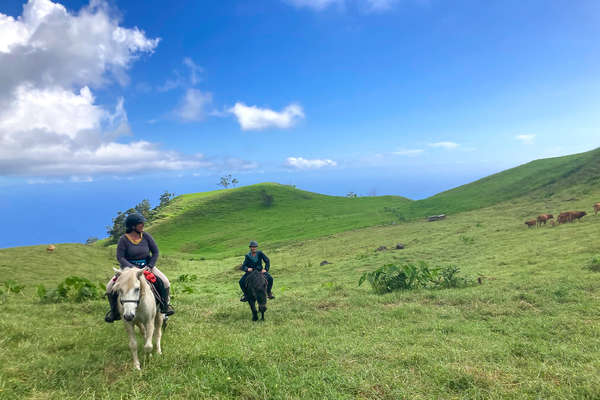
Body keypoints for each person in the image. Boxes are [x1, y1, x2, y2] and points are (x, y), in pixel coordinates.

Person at [104, 213, 175, 323]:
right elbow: (120, 257)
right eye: (140, 224)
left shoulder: (146, 236)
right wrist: (133, 268)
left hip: (146, 266)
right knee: (109, 287)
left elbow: (155, 252)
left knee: (165, 282)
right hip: (128, 269)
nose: (143, 225)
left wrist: (150, 266)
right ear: (132, 226)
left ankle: (165, 307)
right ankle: (114, 312)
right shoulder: (123, 239)